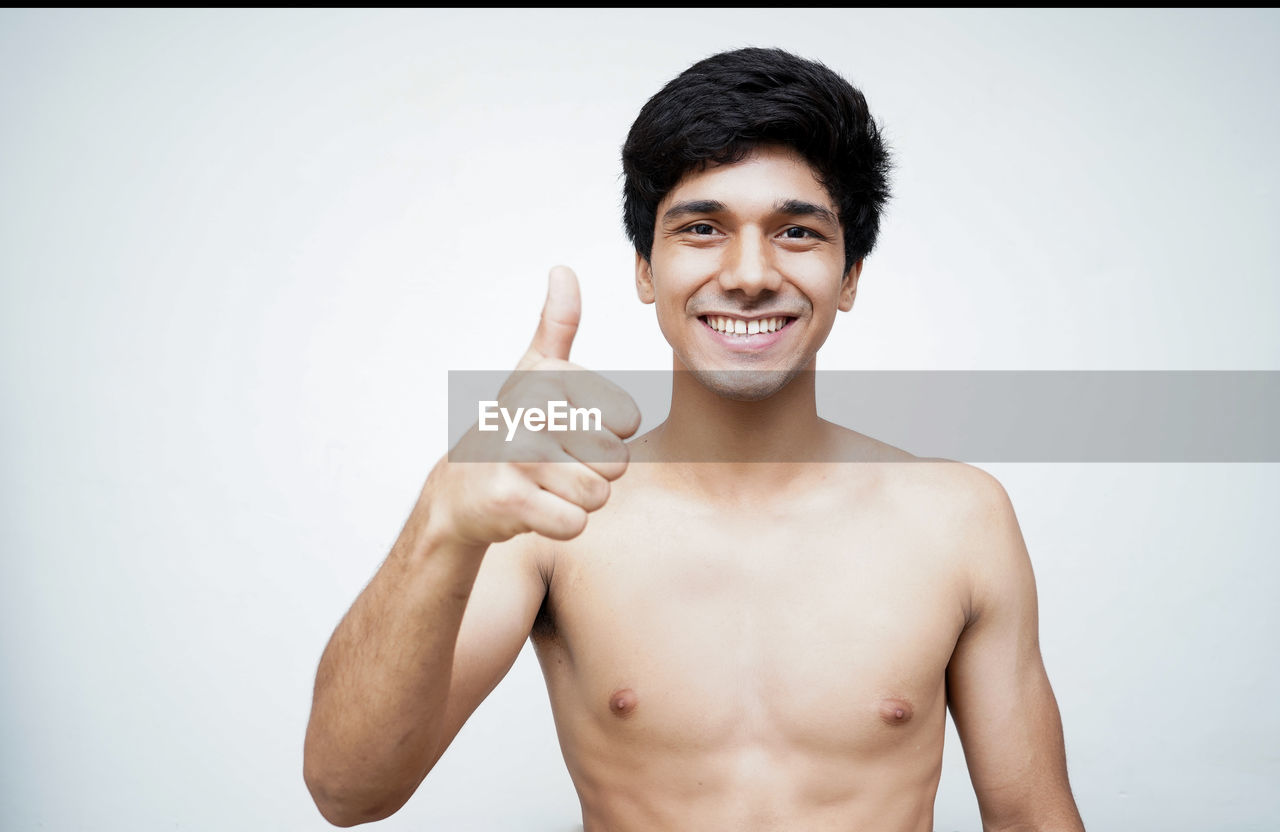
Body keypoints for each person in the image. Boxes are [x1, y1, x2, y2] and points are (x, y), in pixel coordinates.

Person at [303, 46, 1086, 831]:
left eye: (799, 232)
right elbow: (348, 790)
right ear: (646, 268)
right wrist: (441, 513)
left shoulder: (960, 519)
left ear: (850, 275)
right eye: (703, 228)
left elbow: (1030, 816)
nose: (749, 273)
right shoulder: (554, 510)